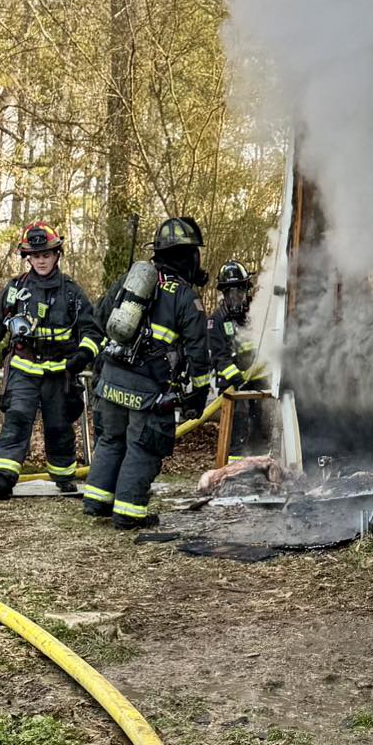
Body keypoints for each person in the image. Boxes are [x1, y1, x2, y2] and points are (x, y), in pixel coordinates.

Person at [83, 217, 212, 526]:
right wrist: (198, 394)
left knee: (112, 440)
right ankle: (128, 513)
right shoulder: (184, 295)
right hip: (148, 388)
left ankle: (97, 502)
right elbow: (197, 351)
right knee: (143, 446)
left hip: (112, 378)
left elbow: (99, 317)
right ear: (189, 256)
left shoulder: (130, 281)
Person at [0, 224, 101, 498]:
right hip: (23, 368)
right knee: (16, 418)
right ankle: (3, 476)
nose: (41, 260)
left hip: (58, 372)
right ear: (27, 257)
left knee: (59, 425)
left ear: (57, 255)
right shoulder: (15, 289)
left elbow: (92, 331)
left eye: (46, 254)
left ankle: (64, 475)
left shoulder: (73, 293)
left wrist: (83, 355)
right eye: (35, 255)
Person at [206, 260, 262, 460]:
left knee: (260, 423)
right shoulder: (217, 320)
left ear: (246, 289)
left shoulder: (255, 314)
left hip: (256, 379)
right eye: (230, 292)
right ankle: (232, 466)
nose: (235, 296)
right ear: (224, 293)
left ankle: (259, 461)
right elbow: (219, 357)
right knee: (236, 426)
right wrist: (237, 379)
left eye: (239, 290)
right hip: (231, 383)